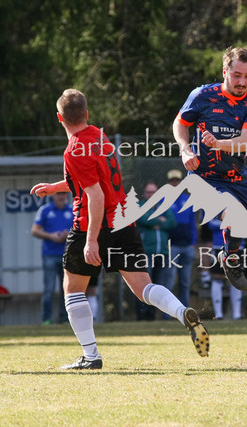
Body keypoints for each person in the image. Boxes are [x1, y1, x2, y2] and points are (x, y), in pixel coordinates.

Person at [31, 89, 209, 369]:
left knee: (73, 289)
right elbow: (94, 181)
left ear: (59, 118)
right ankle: (181, 311)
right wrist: (56, 187)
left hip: (91, 223)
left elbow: (95, 196)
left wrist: (91, 240)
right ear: (86, 114)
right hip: (123, 221)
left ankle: (91, 356)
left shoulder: (73, 149)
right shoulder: (100, 138)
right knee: (144, 287)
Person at [172, 46, 247, 321]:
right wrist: (185, 150)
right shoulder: (202, 95)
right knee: (232, 211)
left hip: (240, 178)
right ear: (224, 71)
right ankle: (230, 256)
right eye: (237, 75)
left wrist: (218, 143)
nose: (242, 82)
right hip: (204, 178)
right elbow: (180, 123)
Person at [136, 181, 176, 320]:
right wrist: (160, 220)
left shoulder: (163, 206)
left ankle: (152, 315)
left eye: (154, 192)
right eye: (149, 192)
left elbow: (172, 222)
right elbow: (144, 220)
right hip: (146, 252)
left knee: (158, 285)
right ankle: (142, 316)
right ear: (144, 194)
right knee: (145, 285)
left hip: (162, 253)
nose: (151, 195)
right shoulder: (139, 206)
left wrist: (155, 222)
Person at [31, 192, 74, 324]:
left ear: (67, 196)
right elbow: (34, 230)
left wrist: (69, 234)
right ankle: (46, 319)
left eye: (63, 194)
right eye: (58, 194)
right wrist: (51, 236)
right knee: (49, 289)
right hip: (49, 254)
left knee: (66, 288)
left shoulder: (73, 210)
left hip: (68, 254)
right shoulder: (45, 210)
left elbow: (81, 230)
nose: (61, 197)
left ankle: (65, 318)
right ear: (53, 196)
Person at [164, 169, 198, 307]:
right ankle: (168, 313)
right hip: (172, 246)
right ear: (168, 183)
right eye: (172, 181)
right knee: (170, 282)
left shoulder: (187, 199)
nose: (175, 183)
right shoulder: (163, 199)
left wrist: (193, 243)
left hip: (187, 246)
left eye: (177, 181)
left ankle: (185, 311)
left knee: (185, 282)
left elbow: (193, 223)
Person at [207, 217, 242, 320]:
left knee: (237, 277)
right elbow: (211, 224)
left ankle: (237, 314)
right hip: (219, 246)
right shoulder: (215, 207)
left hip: (238, 246)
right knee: (218, 277)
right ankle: (218, 314)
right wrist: (230, 224)